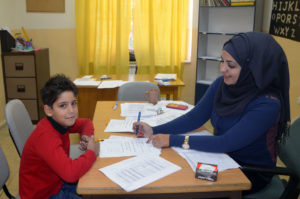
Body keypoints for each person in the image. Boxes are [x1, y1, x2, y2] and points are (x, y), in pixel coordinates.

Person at [133, 32, 290, 194]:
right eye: (222, 61)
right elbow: (194, 117)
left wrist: (172, 139)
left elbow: (226, 142)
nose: (222, 69)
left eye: (231, 65)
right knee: (178, 178)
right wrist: (154, 129)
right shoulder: (222, 85)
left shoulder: (268, 103)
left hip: (249, 171)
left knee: (191, 189)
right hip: (222, 157)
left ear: (253, 67)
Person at [19, 74, 100, 199]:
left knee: (95, 183)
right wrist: (91, 152)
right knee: (91, 183)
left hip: (57, 181)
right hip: (43, 194)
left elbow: (86, 123)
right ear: (49, 110)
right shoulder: (46, 136)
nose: (71, 111)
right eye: (63, 105)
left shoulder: (61, 121)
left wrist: (86, 137)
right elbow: (70, 173)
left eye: (73, 103)